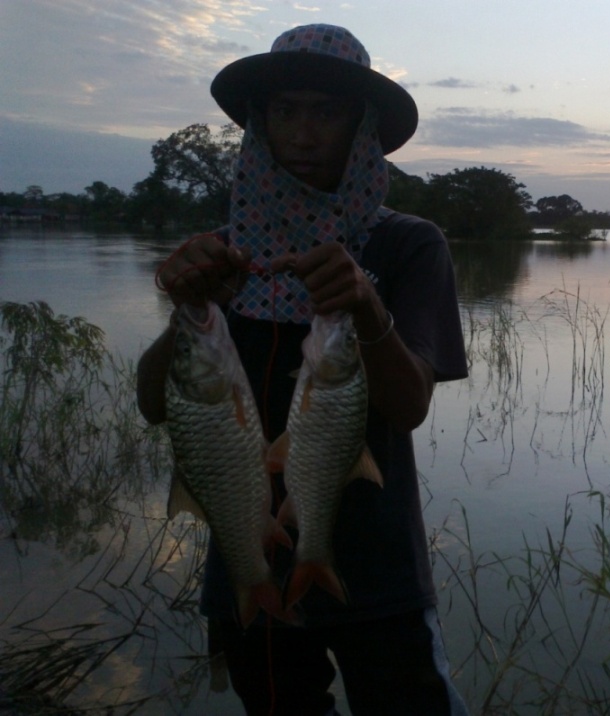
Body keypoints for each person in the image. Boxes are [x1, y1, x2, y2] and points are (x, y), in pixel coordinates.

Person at [136, 24, 469, 715]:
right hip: (247, 564)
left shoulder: (408, 244)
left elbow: (408, 407)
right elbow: (153, 402)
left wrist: (368, 308)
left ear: (362, 125)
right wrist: (185, 306)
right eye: (285, 111)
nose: (304, 133)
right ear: (262, 124)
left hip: (379, 576)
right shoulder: (226, 253)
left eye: (326, 111)